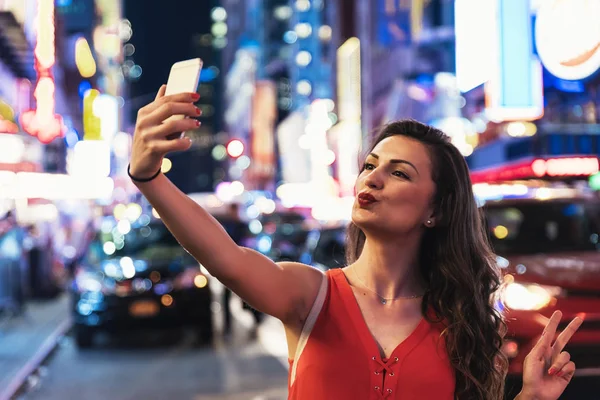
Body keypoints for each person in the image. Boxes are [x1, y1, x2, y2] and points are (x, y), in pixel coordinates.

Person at [128, 86, 582, 400]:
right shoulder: (311, 296)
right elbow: (224, 256)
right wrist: (149, 178)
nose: (373, 178)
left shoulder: (464, 325)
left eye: (399, 172)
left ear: (437, 210)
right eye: (370, 165)